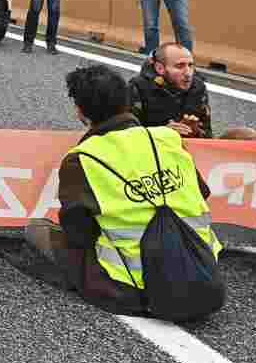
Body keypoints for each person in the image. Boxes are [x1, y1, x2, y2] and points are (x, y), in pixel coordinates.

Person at [22, 65, 221, 316]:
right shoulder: (167, 139)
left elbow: (79, 233)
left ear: (81, 112)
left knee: (37, 229)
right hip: (204, 272)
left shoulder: (83, 157)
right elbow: (202, 193)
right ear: (126, 103)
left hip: (133, 289)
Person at [130, 42, 256, 140]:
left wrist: (197, 131)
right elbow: (124, 137)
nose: (188, 73)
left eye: (190, 65)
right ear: (160, 68)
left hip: (189, 154)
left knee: (248, 136)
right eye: (179, 66)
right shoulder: (138, 87)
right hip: (153, 157)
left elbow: (208, 136)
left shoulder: (198, 87)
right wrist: (163, 133)